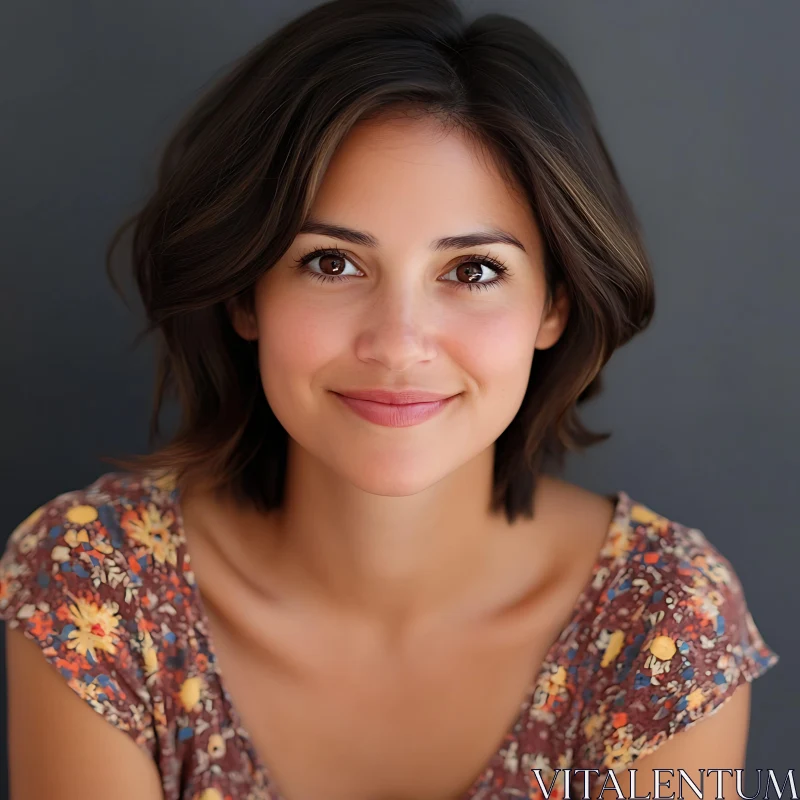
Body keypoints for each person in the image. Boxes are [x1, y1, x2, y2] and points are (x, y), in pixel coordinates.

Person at [0, 1, 779, 799]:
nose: (399, 342)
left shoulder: (664, 621)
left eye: (473, 270)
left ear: (554, 307)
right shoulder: (98, 585)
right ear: (246, 296)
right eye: (332, 262)